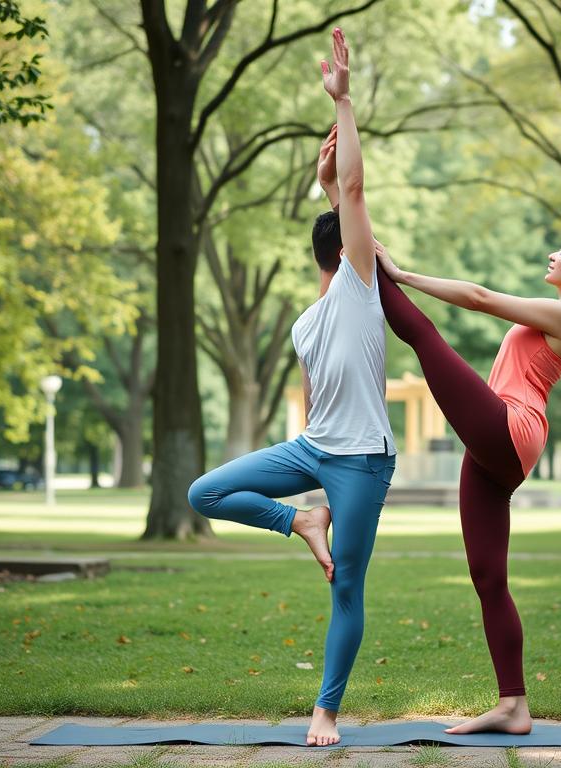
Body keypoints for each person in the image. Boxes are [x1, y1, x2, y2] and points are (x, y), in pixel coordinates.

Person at [187, 85, 397, 744]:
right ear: (342, 252)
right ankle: (300, 523)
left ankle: (326, 710)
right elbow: (313, 398)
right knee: (206, 491)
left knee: (346, 589)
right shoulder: (313, 319)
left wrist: (343, 108)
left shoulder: (364, 290)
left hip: (362, 461)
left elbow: (355, 196)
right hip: (312, 449)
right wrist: (306, 503)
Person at [372, 230, 561, 734]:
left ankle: (365, 266)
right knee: (488, 578)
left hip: (511, 428)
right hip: (496, 445)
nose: (552, 254)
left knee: (426, 338)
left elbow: (480, 298)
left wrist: (400, 273)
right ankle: (513, 705)